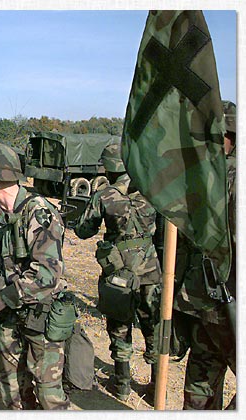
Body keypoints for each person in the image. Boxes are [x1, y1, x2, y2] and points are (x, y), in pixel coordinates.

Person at [0, 143, 69, 410]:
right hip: (8, 320)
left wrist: (3, 298)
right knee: (12, 393)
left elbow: (46, 275)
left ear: (0, 174)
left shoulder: (39, 212)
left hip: (40, 319)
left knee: (49, 397)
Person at [73, 143, 161, 402]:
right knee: (153, 325)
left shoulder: (104, 196)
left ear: (109, 168)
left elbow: (83, 230)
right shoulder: (151, 191)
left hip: (118, 272)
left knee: (120, 327)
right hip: (151, 270)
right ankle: (157, 384)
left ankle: (122, 385)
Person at [172, 101, 236, 410]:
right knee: (199, 386)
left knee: (199, 389)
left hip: (216, 301)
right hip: (208, 304)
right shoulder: (203, 176)